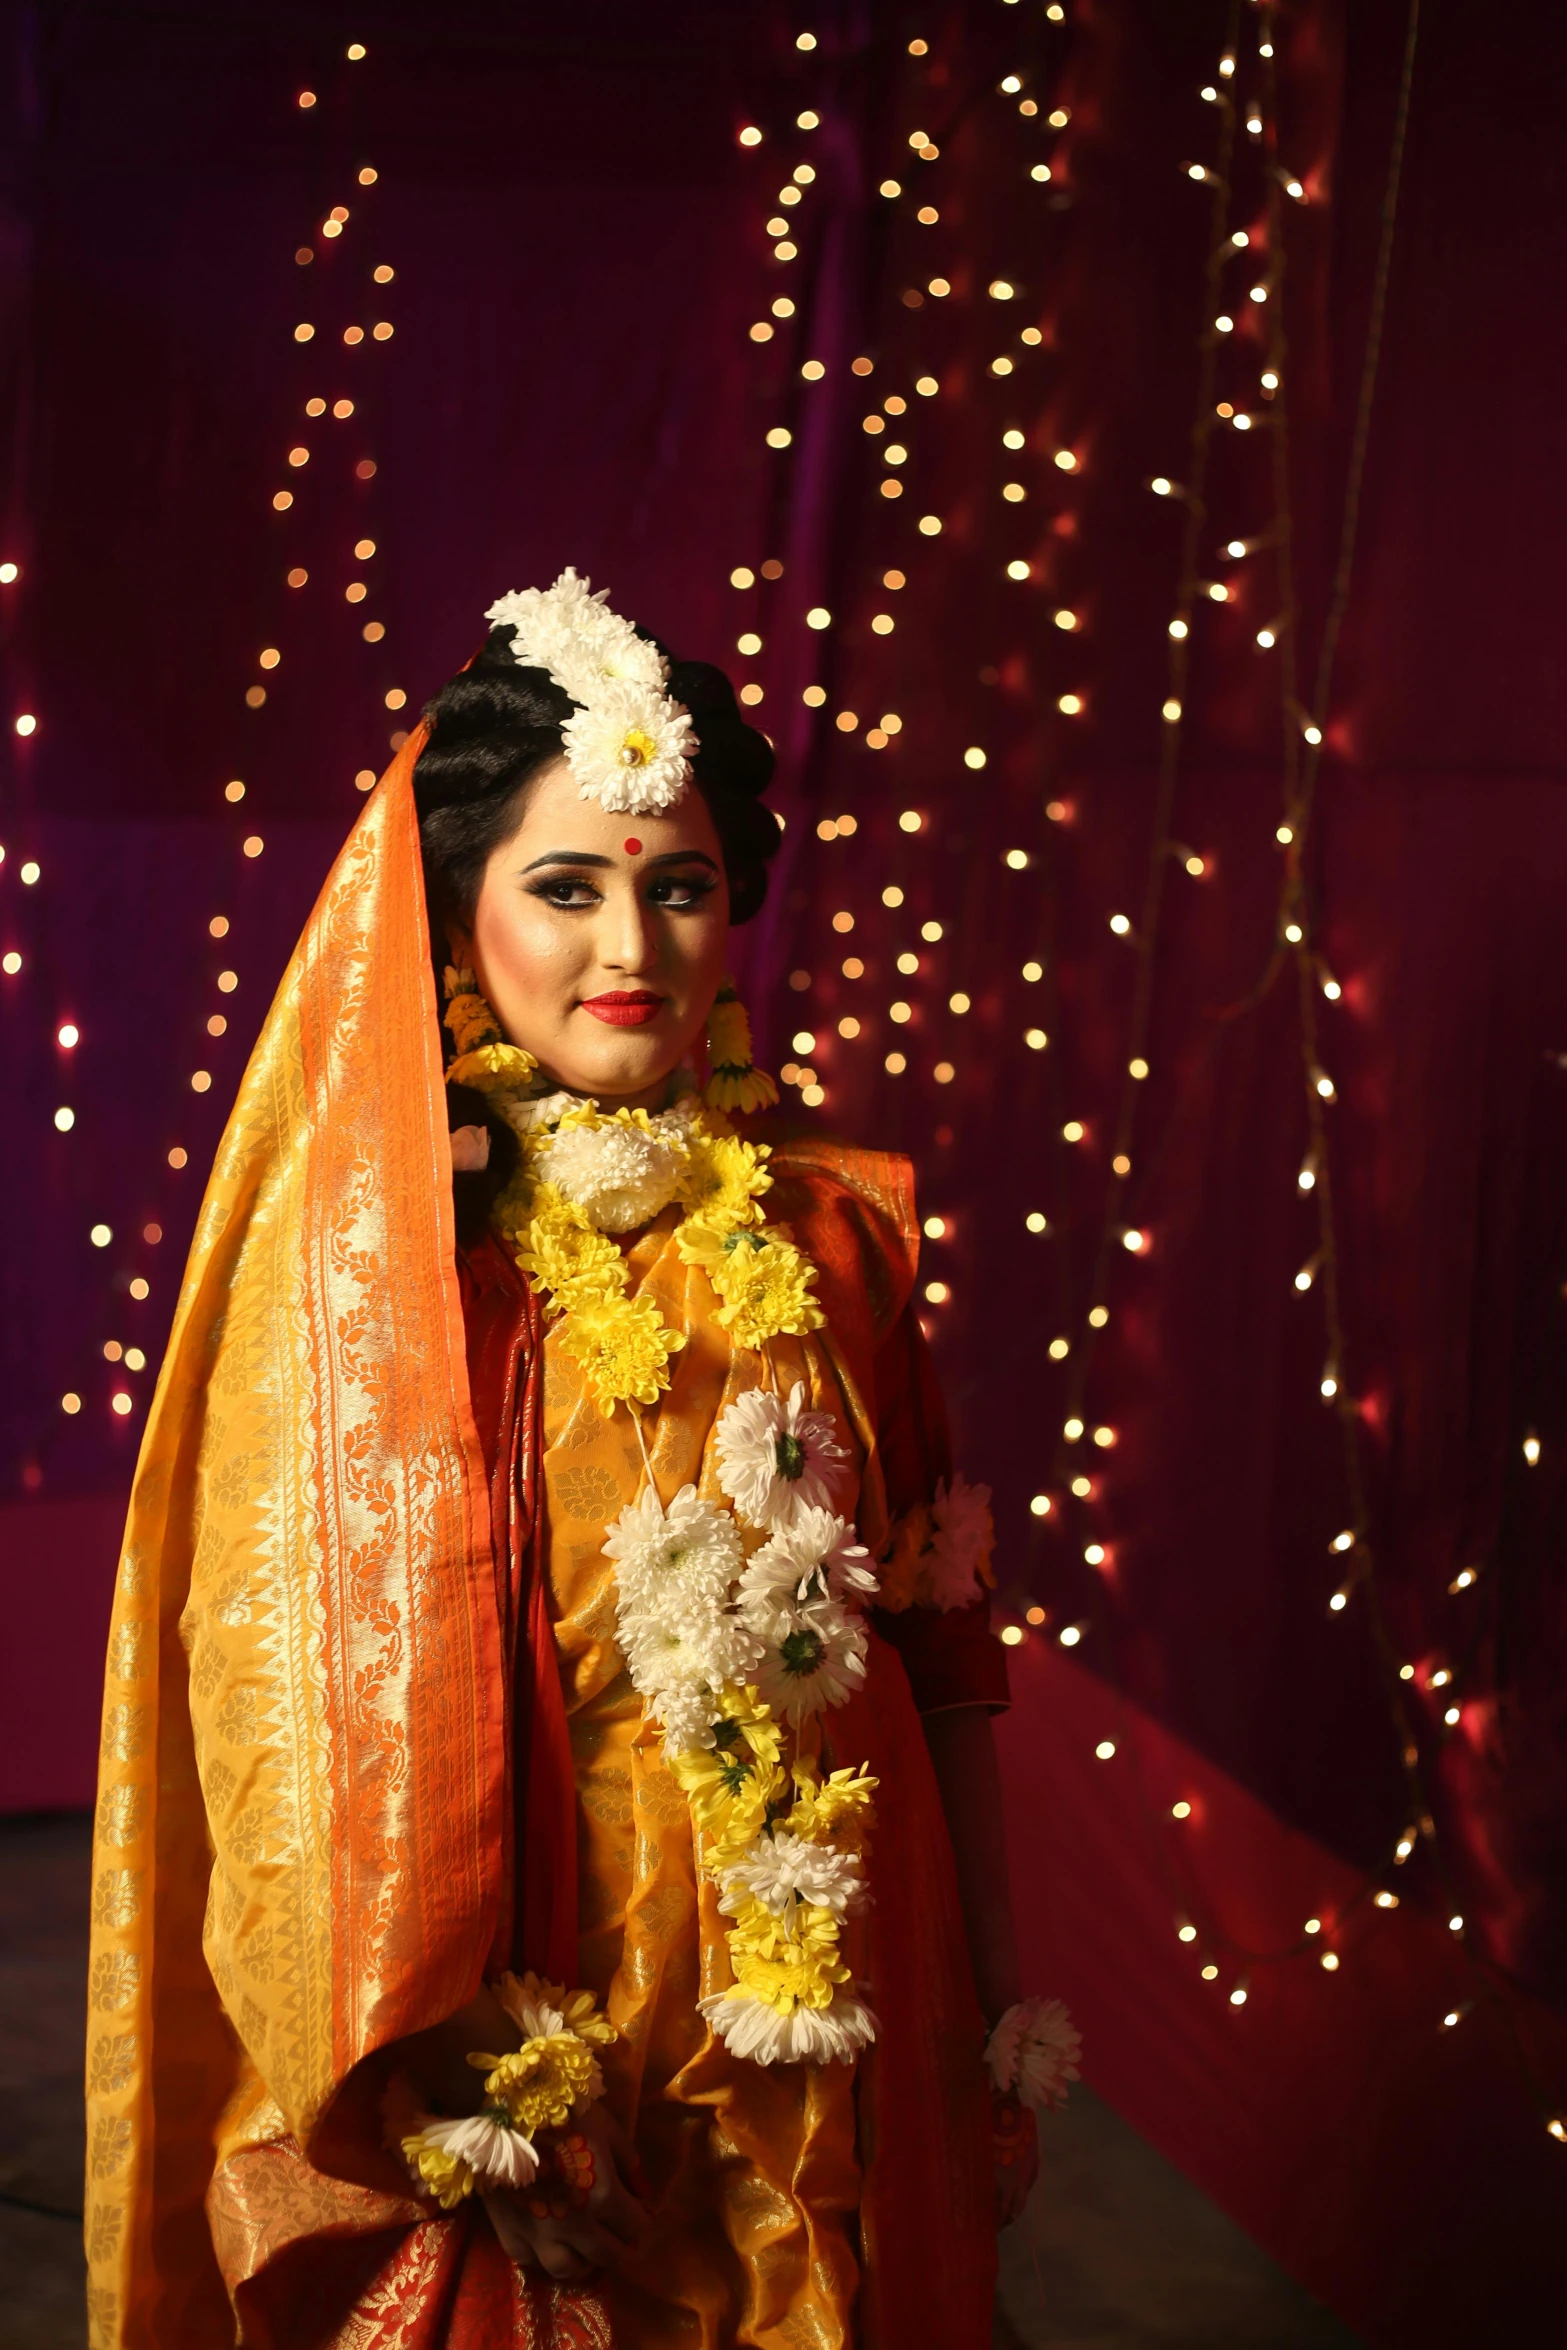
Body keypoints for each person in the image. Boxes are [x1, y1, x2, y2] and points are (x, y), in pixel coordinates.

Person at [84, 572, 1074, 2349]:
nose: (633, 949)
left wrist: (992, 2013)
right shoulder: (383, 1277)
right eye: (567, 887)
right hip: (540, 2037)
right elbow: (286, 1711)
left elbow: (938, 1665)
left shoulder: (840, 1239)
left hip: (844, 2014)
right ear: (456, 917)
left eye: (678, 887)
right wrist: (456, 2083)